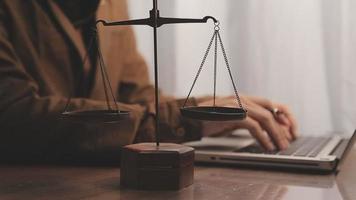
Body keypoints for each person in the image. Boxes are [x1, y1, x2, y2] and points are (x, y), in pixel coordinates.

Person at [0, 0, 297, 162]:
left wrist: (210, 108)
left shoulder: (111, 5)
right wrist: (191, 119)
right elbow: (14, 116)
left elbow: (138, 97)